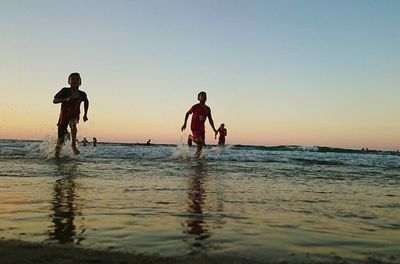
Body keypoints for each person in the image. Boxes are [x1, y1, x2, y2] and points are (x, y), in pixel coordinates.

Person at [53, 72, 89, 158]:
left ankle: (73, 145)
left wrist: (85, 114)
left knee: (73, 124)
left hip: (74, 114)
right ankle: (56, 158)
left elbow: (86, 102)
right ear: (69, 82)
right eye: (72, 79)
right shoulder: (65, 91)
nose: (75, 81)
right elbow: (54, 100)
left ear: (80, 82)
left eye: (77, 79)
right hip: (63, 117)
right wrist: (65, 99)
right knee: (60, 142)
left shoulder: (82, 94)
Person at [181, 91, 217, 157]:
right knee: (199, 142)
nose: (204, 97)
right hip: (195, 126)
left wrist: (214, 129)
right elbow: (187, 113)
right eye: (202, 96)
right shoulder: (195, 107)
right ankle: (190, 137)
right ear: (198, 98)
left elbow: (210, 119)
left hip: (202, 128)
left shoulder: (208, 109)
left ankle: (197, 157)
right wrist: (184, 123)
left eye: (205, 96)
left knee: (201, 144)